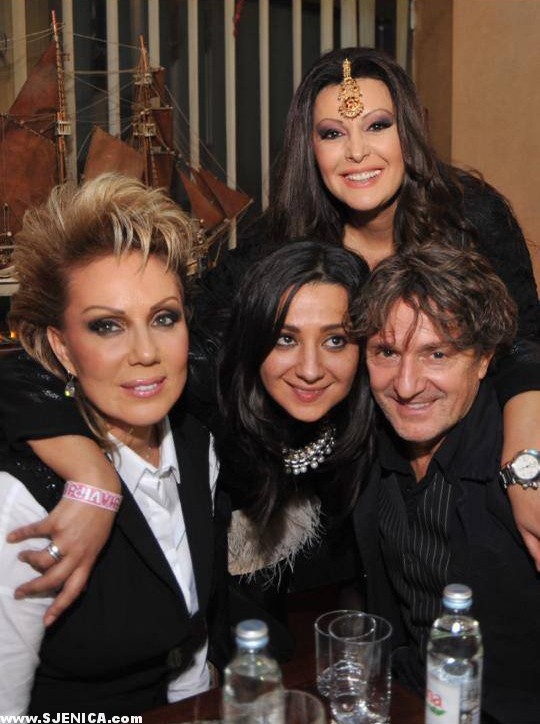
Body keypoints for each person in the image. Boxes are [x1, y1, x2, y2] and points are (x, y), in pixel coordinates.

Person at [1, 46, 539, 617]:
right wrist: (92, 473)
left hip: (465, 475)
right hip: (334, 501)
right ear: (310, 146)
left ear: (409, 130)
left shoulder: (469, 217)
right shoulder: (277, 248)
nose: (357, 152)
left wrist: (526, 462)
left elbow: (526, 341)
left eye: (378, 125)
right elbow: (164, 352)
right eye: (332, 133)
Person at [0, 175, 221, 714]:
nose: (145, 353)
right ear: (62, 348)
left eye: (164, 318)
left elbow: (191, 644)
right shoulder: (22, 502)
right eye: (107, 326)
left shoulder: (198, 446)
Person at [350, 243, 540, 723]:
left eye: (436, 353)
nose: (406, 384)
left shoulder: (522, 469)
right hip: (409, 697)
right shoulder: (367, 447)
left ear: (484, 359)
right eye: (386, 352)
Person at [217, 241, 372, 655]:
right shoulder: (204, 415)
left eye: (335, 341)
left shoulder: (381, 425)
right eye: (286, 339)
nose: (310, 369)